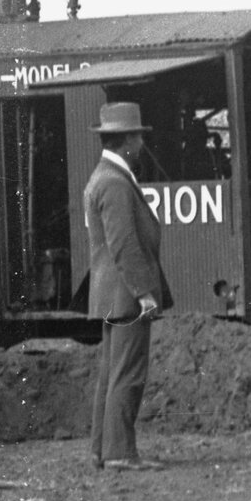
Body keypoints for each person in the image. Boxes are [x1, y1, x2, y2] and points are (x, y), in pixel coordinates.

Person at [84, 102, 173, 470]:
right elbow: (124, 245)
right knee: (128, 373)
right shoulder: (115, 183)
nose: (141, 142)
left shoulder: (105, 177)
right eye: (137, 135)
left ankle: (102, 448)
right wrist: (144, 292)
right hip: (125, 295)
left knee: (112, 372)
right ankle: (119, 453)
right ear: (125, 140)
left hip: (112, 294)